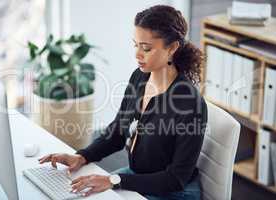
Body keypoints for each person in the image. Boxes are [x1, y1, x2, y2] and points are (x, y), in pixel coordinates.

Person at [39, 5, 208, 200]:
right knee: (82, 192)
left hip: (173, 192)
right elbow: (118, 131)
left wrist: (114, 180)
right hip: (138, 177)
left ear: (172, 48)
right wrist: (82, 156)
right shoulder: (140, 77)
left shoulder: (190, 103)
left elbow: (176, 179)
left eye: (146, 48)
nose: (137, 54)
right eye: (135, 45)